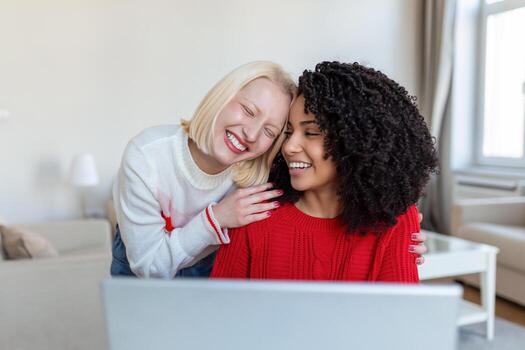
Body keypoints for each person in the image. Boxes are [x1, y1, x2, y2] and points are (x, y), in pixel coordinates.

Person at [112, 61, 428, 279]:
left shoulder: (261, 172)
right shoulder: (149, 155)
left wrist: (397, 220)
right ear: (222, 97)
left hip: (208, 267)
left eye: (272, 131)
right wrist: (217, 218)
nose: (251, 134)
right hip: (145, 267)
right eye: (248, 111)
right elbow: (149, 266)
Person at [211, 62, 438, 281]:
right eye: (288, 132)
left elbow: (399, 317)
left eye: (311, 133)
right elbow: (219, 311)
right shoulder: (254, 210)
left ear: (355, 142)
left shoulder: (395, 220)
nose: (289, 147)